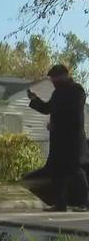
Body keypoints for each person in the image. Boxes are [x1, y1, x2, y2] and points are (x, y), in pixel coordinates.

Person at [27, 64, 89, 212]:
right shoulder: (57, 93)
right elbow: (48, 108)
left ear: (63, 75)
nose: (53, 81)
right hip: (58, 139)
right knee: (57, 171)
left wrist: (56, 122)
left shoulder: (77, 90)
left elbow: (72, 112)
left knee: (75, 169)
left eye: (54, 78)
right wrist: (34, 99)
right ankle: (60, 204)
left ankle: (85, 203)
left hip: (72, 138)